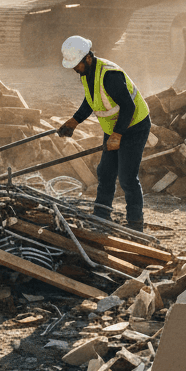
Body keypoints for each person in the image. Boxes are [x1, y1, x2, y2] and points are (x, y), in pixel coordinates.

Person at [56, 35, 151, 232]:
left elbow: (128, 107)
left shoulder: (110, 75)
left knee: (127, 177)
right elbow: (91, 100)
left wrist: (118, 135)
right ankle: (101, 216)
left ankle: (135, 224)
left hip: (134, 126)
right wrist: (75, 121)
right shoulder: (87, 74)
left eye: (77, 65)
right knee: (105, 172)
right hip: (114, 128)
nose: (75, 69)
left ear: (87, 58)